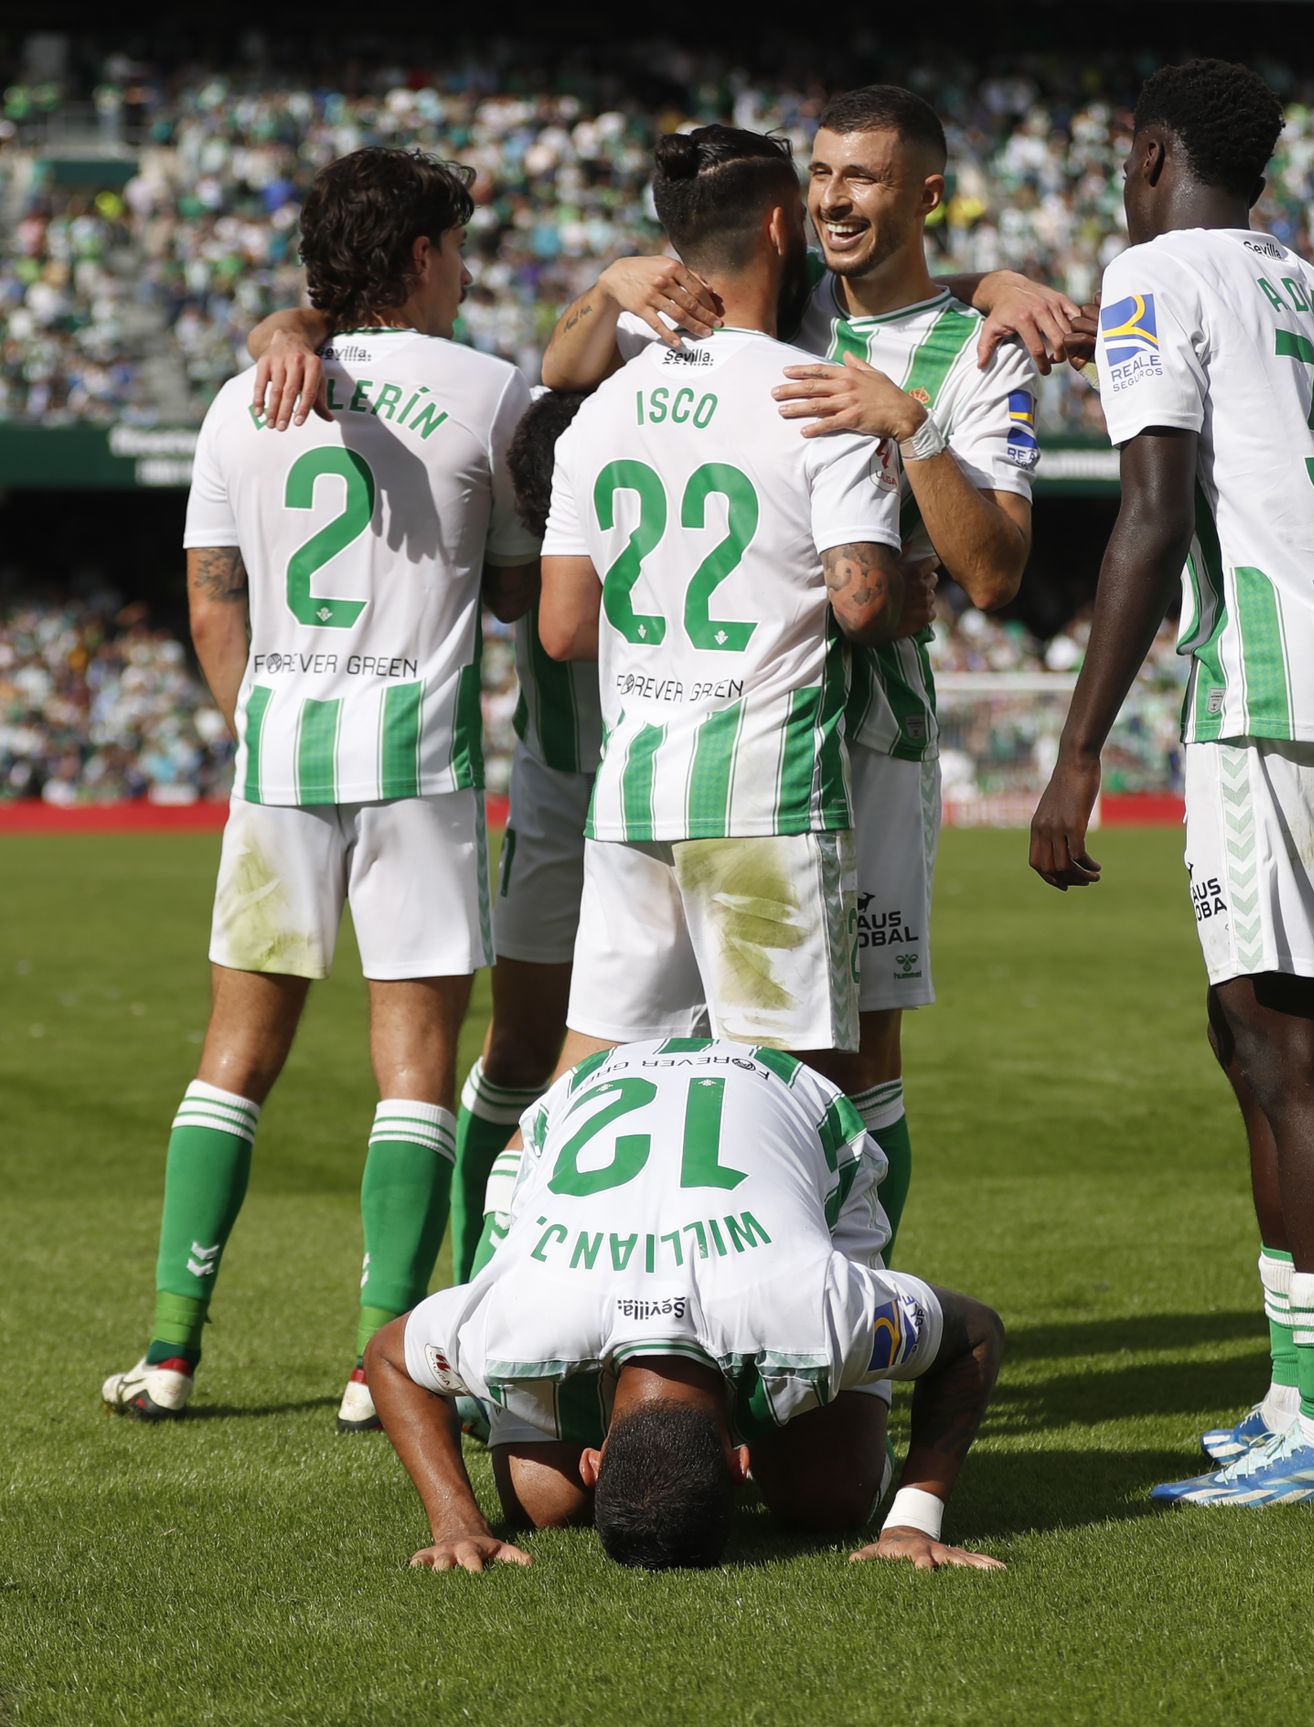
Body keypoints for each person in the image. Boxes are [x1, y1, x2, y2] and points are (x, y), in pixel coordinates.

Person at [542, 85, 1071, 1257]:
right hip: (728, 735)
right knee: (677, 1040)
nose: (834, 197)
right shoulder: (741, 311)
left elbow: (990, 573)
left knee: (855, 1056)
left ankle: (848, 1308)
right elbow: (564, 371)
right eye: (822, 174)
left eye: (863, 177)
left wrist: (912, 425)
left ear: (924, 195)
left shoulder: (976, 348)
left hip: (867, 748)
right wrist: (616, 280)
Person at [1029, 59, 1314, 1504]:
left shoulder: (1152, 270)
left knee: (1293, 1040)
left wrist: (1078, 750)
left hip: (1273, 680)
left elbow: (1152, 510)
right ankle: (1294, 1393)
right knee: (1255, 1032)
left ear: (1149, 156)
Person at [101, 147, 539, 1430]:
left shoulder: (244, 398)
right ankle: (377, 1361)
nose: (463, 274)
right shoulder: (490, 391)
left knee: (230, 1060)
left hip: (283, 752)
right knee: (413, 1071)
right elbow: (515, 593)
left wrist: (264, 720)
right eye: (453, 250)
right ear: (416, 256)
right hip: (417, 759)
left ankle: (172, 1350)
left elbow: (210, 593)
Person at [539, 124, 906, 1074]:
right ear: (784, 228)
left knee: (586, 1086)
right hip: (765, 788)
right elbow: (863, 605)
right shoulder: (822, 397)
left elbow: (564, 625)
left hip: (634, 787)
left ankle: (508, 1218)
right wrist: (919, 594)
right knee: (798, 1094)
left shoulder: (600, 412)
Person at [364, 1037, 1007, 1571]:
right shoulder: (521, 1325)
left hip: (794, 1101)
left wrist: (912, 1517)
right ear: (741, 1462)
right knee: (543, 1502)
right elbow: (390, 1360)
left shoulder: (815, 1311)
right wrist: (457, 1520)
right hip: (588, 1107)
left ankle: (497, 1400)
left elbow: (975, 1333)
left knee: (828, 1497)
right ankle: (490, 1398)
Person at [450, 388, 601, 1283]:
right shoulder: (547, 477)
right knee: (516, 1048)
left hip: (665, 798)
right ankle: (475, 1279)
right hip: (555, 801)